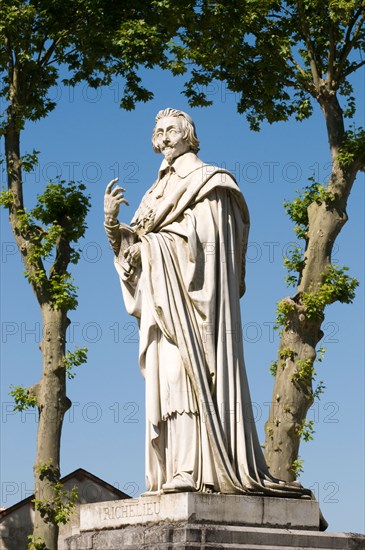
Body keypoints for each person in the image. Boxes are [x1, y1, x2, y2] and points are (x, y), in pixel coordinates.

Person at [104, 108, 304, 497]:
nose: (162, 137)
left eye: (171, 130)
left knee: (185, 378)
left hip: (195, 310)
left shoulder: (209, 181)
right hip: (163, 305)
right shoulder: (153, 192)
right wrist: (114, 227)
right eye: (158, 130)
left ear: (188, 135)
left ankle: (195, 469)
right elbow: (133, 258)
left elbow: (209, 246)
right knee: (165, 384)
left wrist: (154, 246)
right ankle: (175, 470)